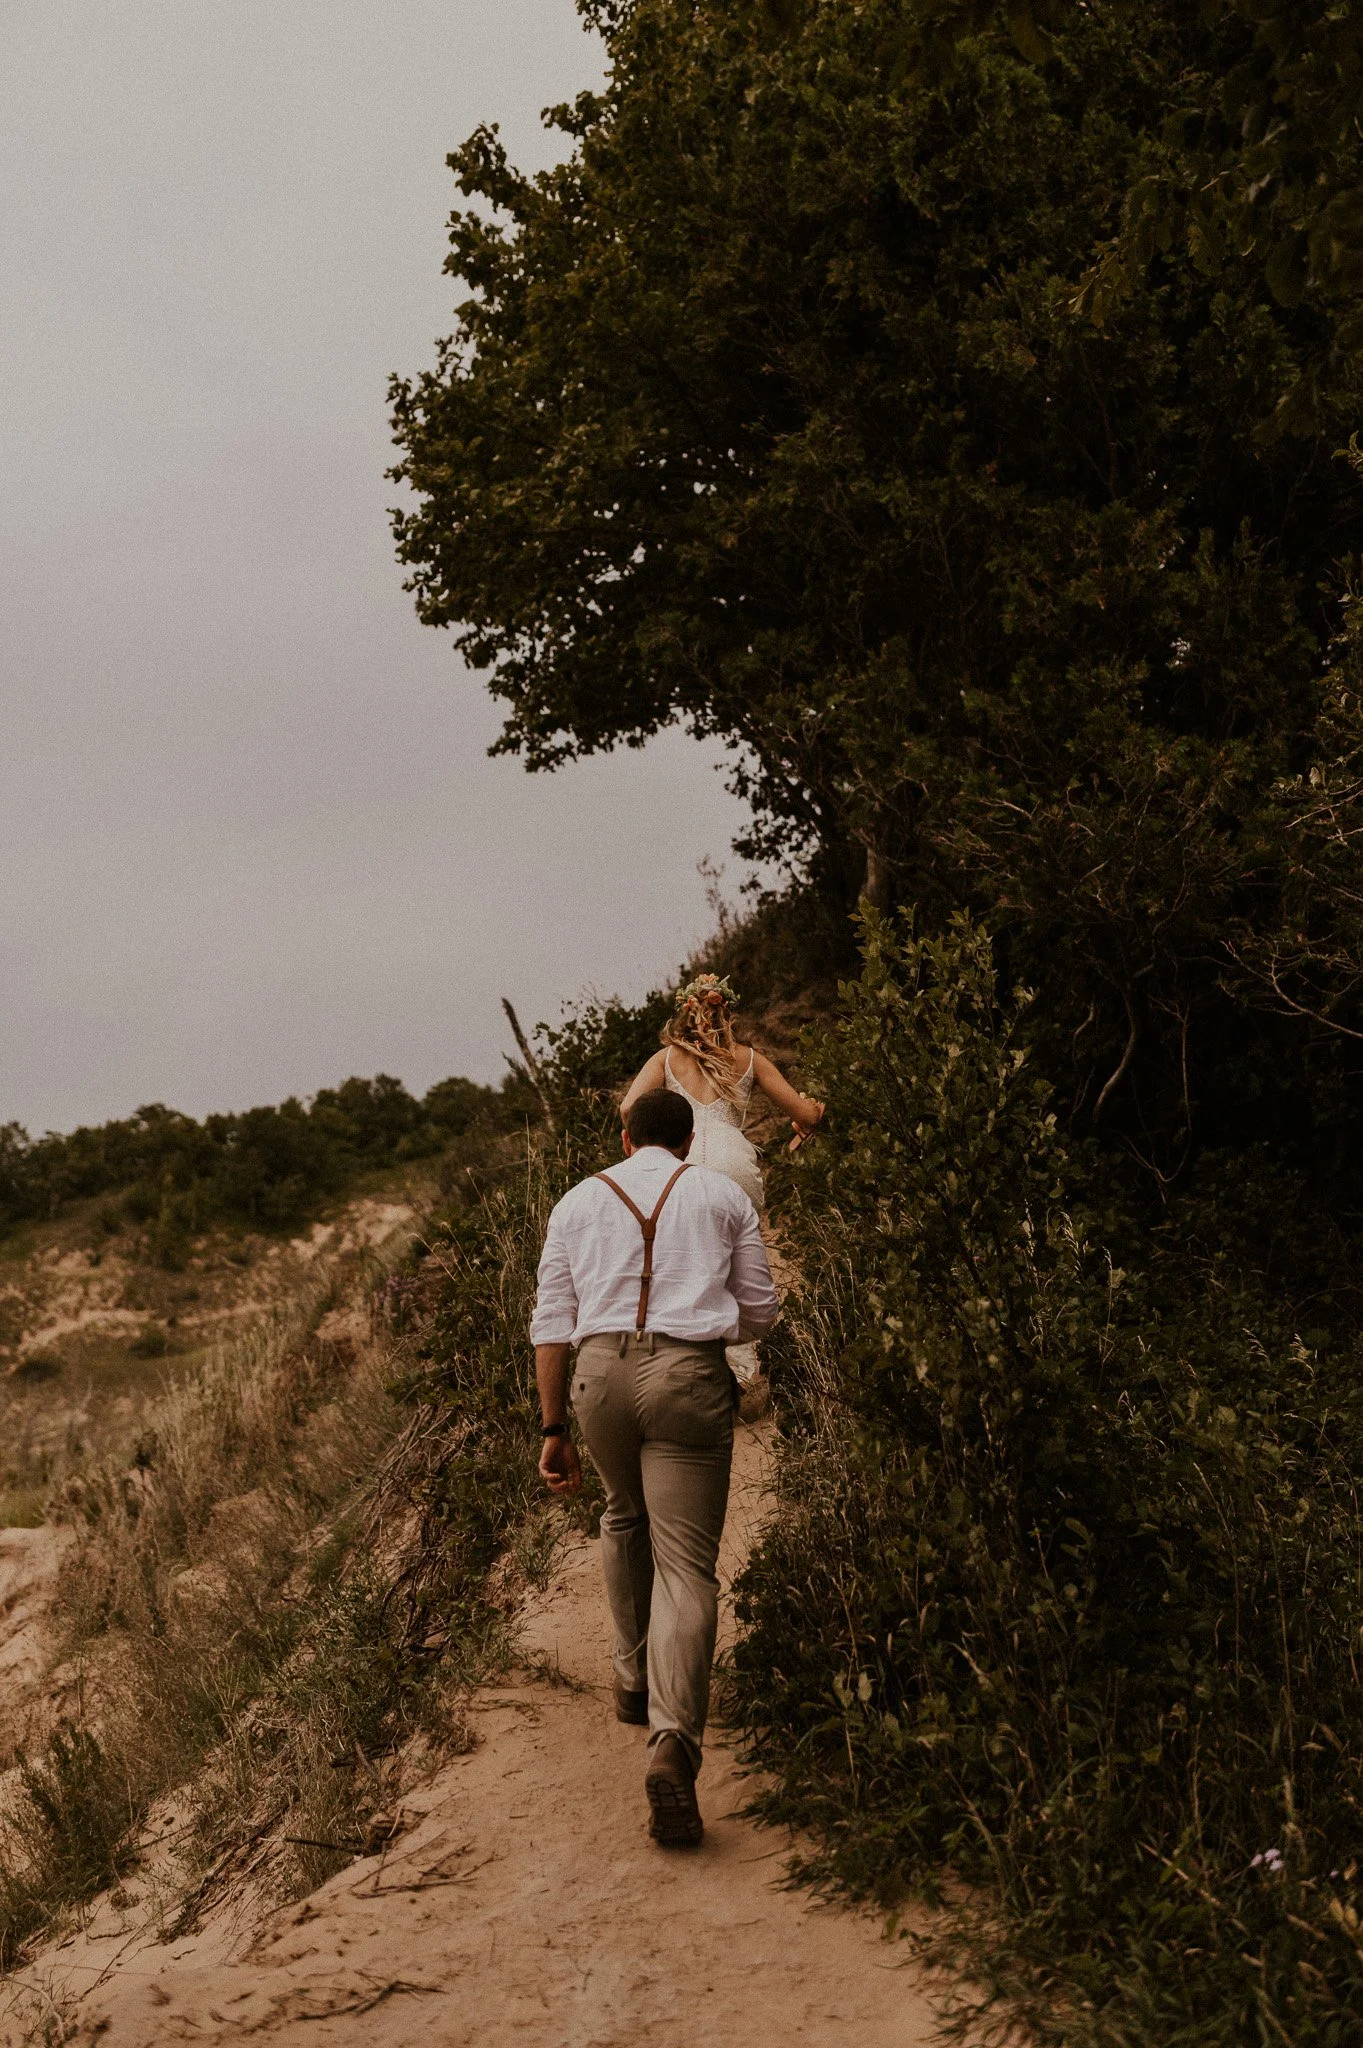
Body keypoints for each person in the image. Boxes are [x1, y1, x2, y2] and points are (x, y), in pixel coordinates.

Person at [531, 1086, 780, 1847]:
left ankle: (632, 1678)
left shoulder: (576, 1201)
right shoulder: (719, 1195)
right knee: (686, 1567)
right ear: (686, 1142)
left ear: (625, 1135)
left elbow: (551, 1321)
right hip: (686, 1376)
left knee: (620, 1513)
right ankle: (672, 1740)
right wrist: (700, 1324)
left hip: (598, 1377)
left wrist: (551, 1428)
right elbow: (762, 1311)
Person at [619, 971, 823, 1384]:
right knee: (737, 1265)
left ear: (684, 1014)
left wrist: (647, 1144)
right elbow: (803, 1115)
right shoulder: (749, 1059)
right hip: (734, 1163)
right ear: (726, 1011)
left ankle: (690, 1370)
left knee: (683, 1265)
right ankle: (744, 1377)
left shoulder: (666, 1059)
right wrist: (811, 1113)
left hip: (682, 1164)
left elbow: (627, 1109)